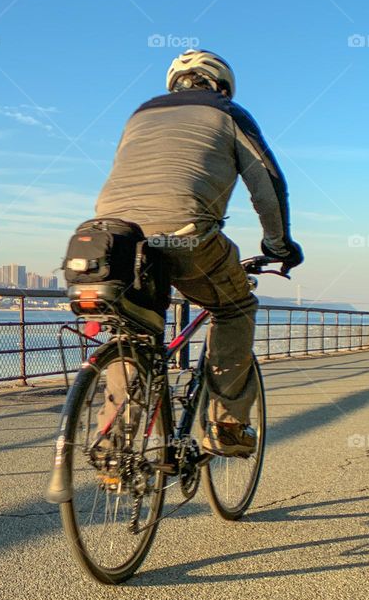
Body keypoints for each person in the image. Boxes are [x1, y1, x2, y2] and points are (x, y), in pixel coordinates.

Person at [94, 49, 303, 456]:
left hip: (110, 238)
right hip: (185, 232)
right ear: (220, 85)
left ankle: (113, 446)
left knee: (133, 333)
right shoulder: (227, 111)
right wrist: (278, 245)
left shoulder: (140, 114)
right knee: (234, 308)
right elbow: (267, 184)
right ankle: (227, 425)